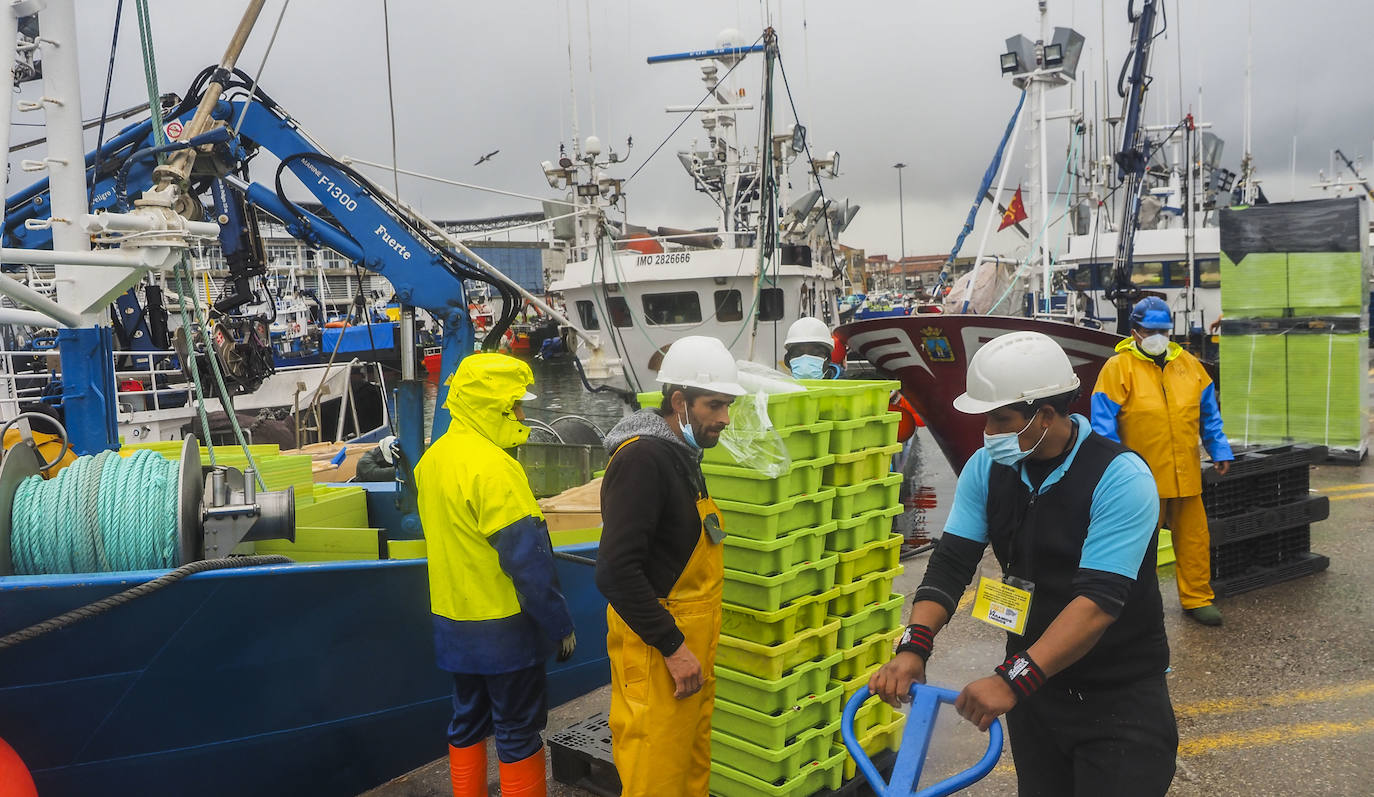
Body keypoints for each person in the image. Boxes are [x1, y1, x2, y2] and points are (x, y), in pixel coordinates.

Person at [869, 331, 1175, 797]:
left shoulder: (1119, 477)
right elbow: (951, 564)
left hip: (1118, 699)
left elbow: (1097, 602)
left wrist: (1011, 680)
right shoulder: (986, 469)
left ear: (1046, 415)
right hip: (1036, 698)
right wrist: (914, 646)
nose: (987, 432)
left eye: (1000, 418)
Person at [415, 352, 577, 797]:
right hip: (504, 627)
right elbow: (529, 563)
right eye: (516, 406)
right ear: (494, 407)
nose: (522, 415)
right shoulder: (495, 468)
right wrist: (559, 624)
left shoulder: (434, 459)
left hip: (452, 620)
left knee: (466, 720)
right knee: (518, 727)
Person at [595, 335, 746, 797]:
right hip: (660, 654)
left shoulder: (683, 454)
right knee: (656, 777)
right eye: (713, 405)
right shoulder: (644, 459)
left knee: (689, 771)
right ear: (679, 402)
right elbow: (616, 571)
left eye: (728, 406)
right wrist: (674, 647)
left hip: (688, 651)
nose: (723, 418)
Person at [1091, 296, 1234, 626]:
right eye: (1150, 330)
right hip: (1141, 480)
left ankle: (1197, 598)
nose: (1158, 336)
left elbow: (1209, 415)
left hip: (1186, 475)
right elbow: (1103, 424)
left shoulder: (1190, 365)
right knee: (1137, 548)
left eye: (1163, 330)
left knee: (1195, 541)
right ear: (1135, 331)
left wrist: (1220, 449)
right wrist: (1113, 469)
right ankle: (1131, 605)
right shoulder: (1117, 368)